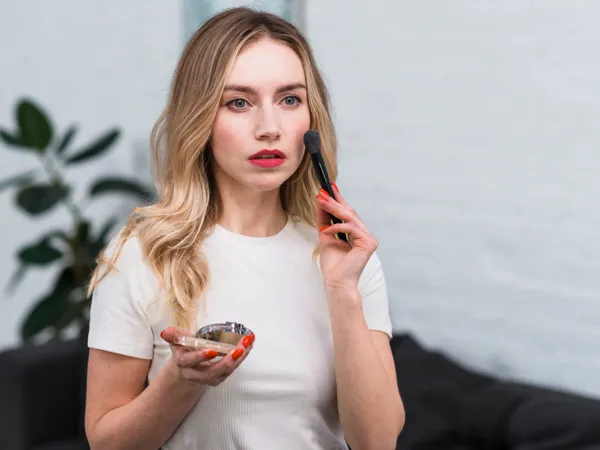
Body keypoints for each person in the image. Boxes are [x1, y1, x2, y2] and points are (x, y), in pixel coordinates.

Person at [84, 6, 404, 450]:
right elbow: (105, 442)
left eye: (290, 100)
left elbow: (378, 442)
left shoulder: (347, 257)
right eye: (239, 102)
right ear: (200, 118)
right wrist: (180, 381)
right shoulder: (142, 254)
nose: (269, 128)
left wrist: (343, 292)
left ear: (311, 119)